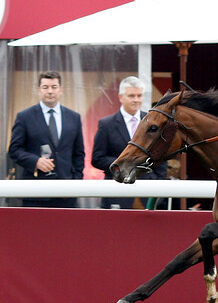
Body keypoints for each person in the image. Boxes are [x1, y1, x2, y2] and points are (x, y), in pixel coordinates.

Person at [8, 71, 86, 208]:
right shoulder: (24, 117)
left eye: (54, 87)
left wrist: (76, 180)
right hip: (35, 192)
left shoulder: (74, 117)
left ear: (61, 90)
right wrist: (35, 161)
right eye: (45, 87)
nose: (50, 91)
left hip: (66, 193)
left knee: (66, 230)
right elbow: (14, 150)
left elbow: (78, 153)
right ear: (39, 90)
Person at [92, 76, 167, 209]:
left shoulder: (153, 122)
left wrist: (156, 181)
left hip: (148, 193)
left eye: (139, 95)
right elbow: (97, 158)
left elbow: (161, 156)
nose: (136, 100)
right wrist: (125, 165)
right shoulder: (106, 125)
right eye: (131, 96)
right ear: (121, 97)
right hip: (117, 192)